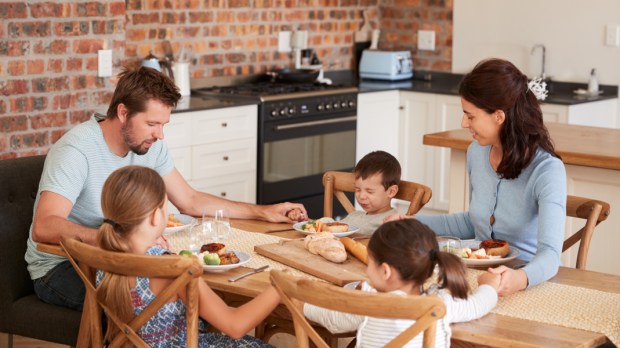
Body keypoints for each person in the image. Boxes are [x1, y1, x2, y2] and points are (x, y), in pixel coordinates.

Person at [26, 66, 306, 311]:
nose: (160, 135)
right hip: (61, 267)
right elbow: (45, 226)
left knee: (195, 298)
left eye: (163, 124)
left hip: (119, 260)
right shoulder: (77, 150)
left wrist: (263, 212)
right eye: (151, 124)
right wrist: (115, 242)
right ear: (123, 112)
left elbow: (190, 200)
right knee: (173, 304)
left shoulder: (149, 145)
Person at [387, 58, 567, 296]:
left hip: (527, 283)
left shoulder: (547, 170)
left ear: (499, 116)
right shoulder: (477, 153)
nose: (463, 123)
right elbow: (474, 223)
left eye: (470, 116)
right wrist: (413, 224)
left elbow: (550, 254)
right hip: (476, 277)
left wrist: (519, 278)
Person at [96, 165, 277, 347]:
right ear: (156, 217)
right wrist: (279, 287)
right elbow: (235, 325)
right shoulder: (173, 268)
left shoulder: (103, 258)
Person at [304, 219, 500, 347]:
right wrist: (489, 284)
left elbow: (332, 318)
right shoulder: (439, 304)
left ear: (385, 271)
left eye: (370, 263)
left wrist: (300, 301)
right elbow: (478, 304)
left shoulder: (368, 302)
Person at [339, 150, 401, 235]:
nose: (361, 196)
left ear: (391, 191)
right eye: (357, 189)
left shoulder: (392, 222)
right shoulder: (354, 216)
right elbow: (335, 227)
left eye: (370, 191)